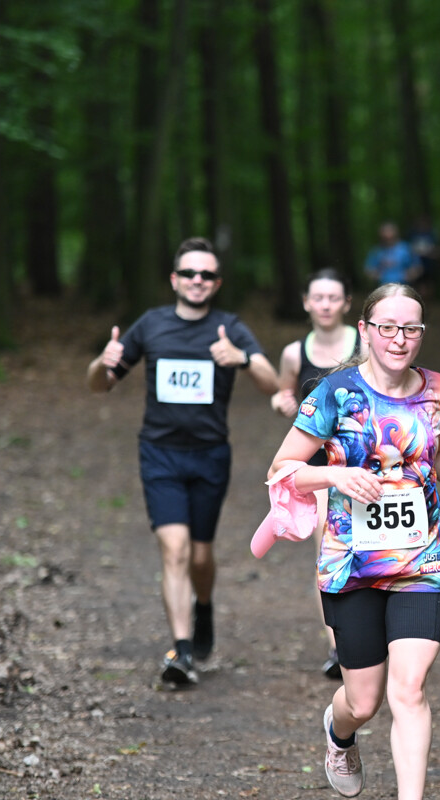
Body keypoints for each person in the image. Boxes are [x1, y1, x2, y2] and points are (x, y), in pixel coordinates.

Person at [265, 283, 440, 799]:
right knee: (363, 702)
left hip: (420, 561)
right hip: (351, 565)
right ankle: (339, 734)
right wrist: (335, 478)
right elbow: (281, 470)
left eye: (411, 328)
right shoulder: (336, 394)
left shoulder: (438, 388)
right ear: (365, 330)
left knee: (409, 690)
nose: (399, 339)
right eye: (388, 327)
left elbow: (438, 452)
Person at [86, 236, 278, 686]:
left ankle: (204, 607)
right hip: (160, 454)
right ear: (174, 279)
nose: (197, 280)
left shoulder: (230, 328)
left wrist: (243, 357)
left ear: (217, 283)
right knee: (174, 549)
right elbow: (100, 384)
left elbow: (271, 383)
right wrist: (101, 362)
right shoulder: (151, 325)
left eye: (206, 274)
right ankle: (182, 650)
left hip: (211, 456)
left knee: (201, 555)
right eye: (189, 273)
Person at [269, 268, 360, 680]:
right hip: (319, 470)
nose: (325, 305)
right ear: (306, 302)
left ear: (346, 303)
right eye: (317, 298)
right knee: (330, 547)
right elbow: (284, 393)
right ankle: (339, 647)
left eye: (333, 297)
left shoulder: (366, 345)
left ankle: (373, 636)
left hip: (363, 463)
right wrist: (281, 404)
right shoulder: (293, 353)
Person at [363, 221, 420, 286]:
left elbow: (417, 267)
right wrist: (377, 276)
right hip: (383, 288)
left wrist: (409, 275)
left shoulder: (406, 248)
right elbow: (368, 269)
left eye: (390, 231)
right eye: (385, 232)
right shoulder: (376, 251)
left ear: (396, 233)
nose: (388, 235)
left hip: (404, 287)